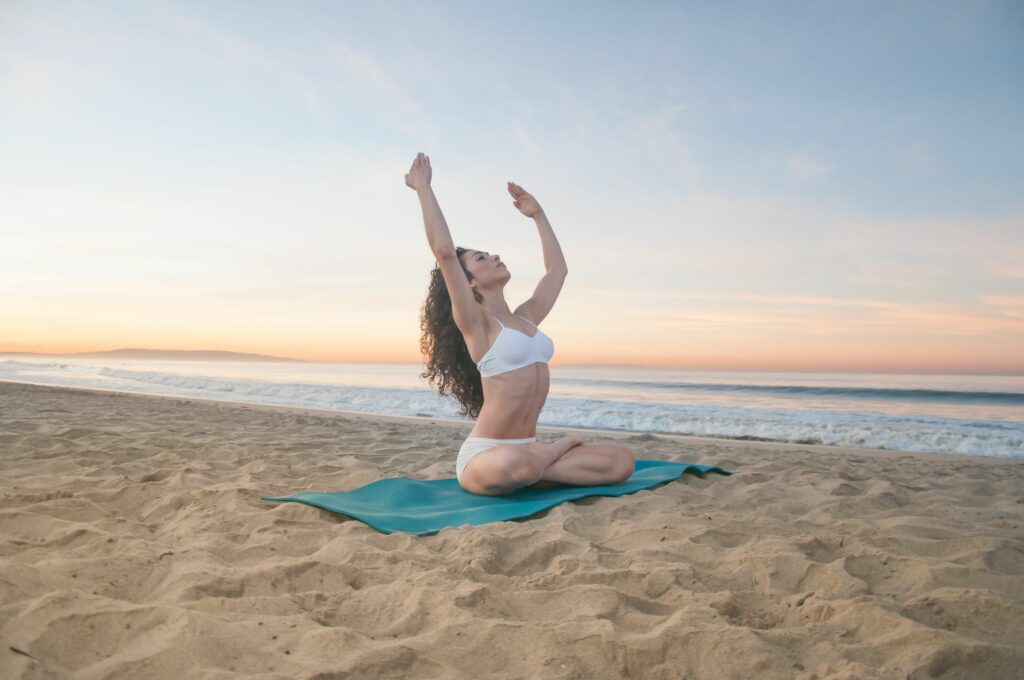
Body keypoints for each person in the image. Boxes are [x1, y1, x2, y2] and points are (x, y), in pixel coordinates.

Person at [405, 152, 635, 496]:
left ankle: (540, 465)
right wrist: (423, 189)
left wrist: (538, 216)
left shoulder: (526, 316)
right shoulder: (476, 325)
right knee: (518, 462)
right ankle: (549, 457)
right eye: (482, 259)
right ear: (470, 283)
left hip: (527, 448)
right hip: (487, 456)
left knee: (621, 462)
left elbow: (557, 271)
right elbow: (446, 254)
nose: (495, 256)